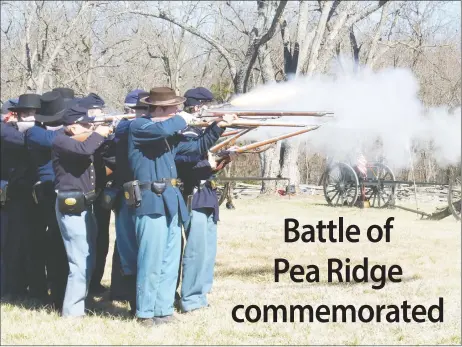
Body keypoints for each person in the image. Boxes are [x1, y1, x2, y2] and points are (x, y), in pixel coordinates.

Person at [127, 87, 233, 326]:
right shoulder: (141, 127)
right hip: (150, 200)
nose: (178, 110)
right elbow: (164, 128)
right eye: (174, 107)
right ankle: (145, 312)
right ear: (160, 108)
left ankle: (163, 310)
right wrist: (182, 118)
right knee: (151, 260)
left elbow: (195, 148)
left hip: (171, 200)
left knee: (169, 261)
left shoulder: (166, 131)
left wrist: (219, 126)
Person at [176, 87, 239, 313]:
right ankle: (191, 299)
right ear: (197, 107)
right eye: (207, 106)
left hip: (207, 195)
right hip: (194, 194)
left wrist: (222, 160)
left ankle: (201, 294)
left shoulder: (197, 131)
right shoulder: (186, 131)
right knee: (196, 250)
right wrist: (209, 163)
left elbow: (204, 161)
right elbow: (187, 162)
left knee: (207, 250)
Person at [52, 100, 112, 317]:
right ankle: (73, 311)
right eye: (86, 125)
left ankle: (81, 302)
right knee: (79, 260)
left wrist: (106, 134)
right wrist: (100, 133)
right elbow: (84, 148)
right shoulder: (61, 140)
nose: (90, 129)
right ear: (73, 126)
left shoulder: (80, 139)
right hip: (71, 205)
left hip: (85, 204)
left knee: (88, 257)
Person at [25, 91, 72, 311]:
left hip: (63, 191)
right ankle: (48, 292)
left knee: (62, 244)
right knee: (50, 244)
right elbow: (55, 141)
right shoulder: (35, 132)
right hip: (46, 193)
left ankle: (62, 291)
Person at [2, 93, 44, 300]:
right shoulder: (10, 133)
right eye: (25, 113)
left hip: (39, 193)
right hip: (19, 194)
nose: (28, 117)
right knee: (16, 243)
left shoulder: (42, 133)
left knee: (35, 243)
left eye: (33, 113)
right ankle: (14, 287)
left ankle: (36, 288)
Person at [109, 90, 148, 313]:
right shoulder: (126, 127)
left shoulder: (129, 126)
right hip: (129, 191)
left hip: (140, 191)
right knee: (130, 248)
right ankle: (132, 298)